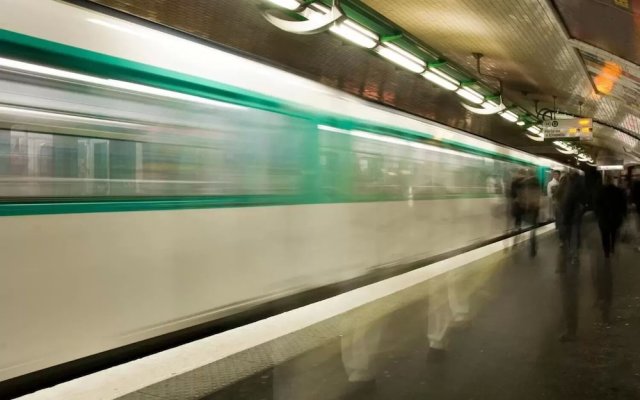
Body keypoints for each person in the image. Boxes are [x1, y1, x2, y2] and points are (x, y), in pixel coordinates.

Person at [594, 174, 627, 324]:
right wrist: (623, 215)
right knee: (613, 234)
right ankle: (612, 248)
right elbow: (622, 204)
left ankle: (607, 252)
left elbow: (597, 205)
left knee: (604, 236)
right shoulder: (618, 191)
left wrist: (599, 215)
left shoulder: (600, 191)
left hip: (604, 219)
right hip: (615, 219)